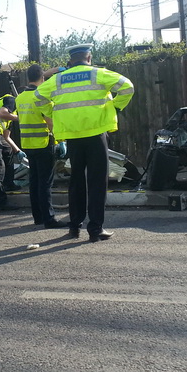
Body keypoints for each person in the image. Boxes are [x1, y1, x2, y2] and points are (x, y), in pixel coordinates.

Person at [34, 44, 135, 242]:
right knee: (97, 183)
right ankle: (95, 229)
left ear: (71, 61)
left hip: (73, 137)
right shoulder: (98, 74)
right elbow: (127, 87)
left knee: (76, 182)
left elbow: (38, 97)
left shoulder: (58, 79)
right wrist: (115, 107)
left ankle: (74, 227)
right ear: (89, 58)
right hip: (96, 134)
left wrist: (52, 113)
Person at [15, 64, 69, 229]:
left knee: (34, 181)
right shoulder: (41, 97)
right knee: (45, 183)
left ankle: (38, 217)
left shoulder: (19, 97)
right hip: (43, 144)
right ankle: (49, 219)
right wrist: (61, 141)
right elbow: (50, 122)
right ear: (43, 78)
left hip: (28, 145)